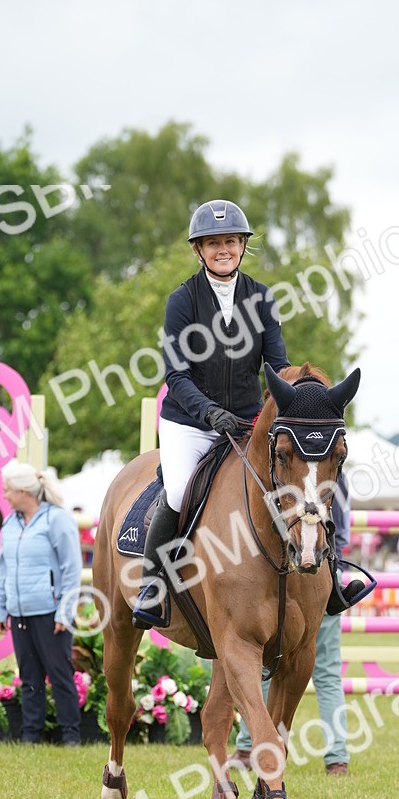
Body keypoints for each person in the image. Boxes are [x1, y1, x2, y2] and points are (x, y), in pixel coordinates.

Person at [132, 198, 291, 630]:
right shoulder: (182, 300)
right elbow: (176, 373)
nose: (224, 249)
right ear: (199, 250)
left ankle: (327, 578)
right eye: (214, 242)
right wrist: (208, 413)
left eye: (231, 241)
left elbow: (277, 367)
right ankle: (154, 585)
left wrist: (290, 404)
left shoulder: (262, 299)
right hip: (188, 421)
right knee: (182, 491)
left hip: (246, 422)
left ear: (242, 246)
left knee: (298, 474)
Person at [233, 473, 354, 775]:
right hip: (326, 571)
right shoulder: (334, 475)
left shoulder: (283, 477)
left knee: (261, 660)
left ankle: (248, 747)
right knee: (328, 671)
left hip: (292, 578)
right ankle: (337, 756)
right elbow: (342, 533)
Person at [0, 462, 83, 746]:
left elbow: (71, 569)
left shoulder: (56, 520)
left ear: (24, 492)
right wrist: (1, 609)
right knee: (29, 677)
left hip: (50, 612)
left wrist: (65, 612)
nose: (5, 495)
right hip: (19, 613)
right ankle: (31, 734)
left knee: (60, 676)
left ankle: (70, 734)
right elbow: (2, 569)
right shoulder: (10, 523)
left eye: (8, 490)